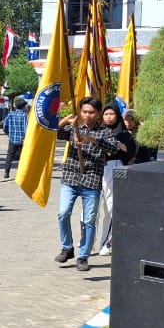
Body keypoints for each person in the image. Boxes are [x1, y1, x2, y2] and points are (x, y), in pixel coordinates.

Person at [55, 98, 122, 272]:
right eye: (84, 111)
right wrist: (66, 120)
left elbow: (113, 148)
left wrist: (89, 139)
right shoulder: (74, 128)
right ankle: (67, 247)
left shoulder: (105, 132)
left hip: (91, 180)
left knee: (89, 220)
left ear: (98, 113)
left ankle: (83, 256)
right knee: (63, 213)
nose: (87, 115)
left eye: (91, 112)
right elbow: (53, 132)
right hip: (70, 177)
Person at [95, 102, 137, 257]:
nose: (109, 117)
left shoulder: (123, 133)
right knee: (92, 207)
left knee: (111, 207)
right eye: (106, 114)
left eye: (112, 114)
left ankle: (108, 242)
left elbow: (130, 151)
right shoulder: (97, 130)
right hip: (95, 169)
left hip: (113, 167)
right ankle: (88, 241)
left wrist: (116, 142)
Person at [2, 97, 28, 179]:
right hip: (22, 140)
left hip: (12, 139)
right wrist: (25, 137)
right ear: (23, 107)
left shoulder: (10, 114)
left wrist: (8, 134)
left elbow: (5, 126)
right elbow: (25, 128)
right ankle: (21, 174)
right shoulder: (24, 116)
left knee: (9, 155)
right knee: (22, 157)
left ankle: (6, 172)